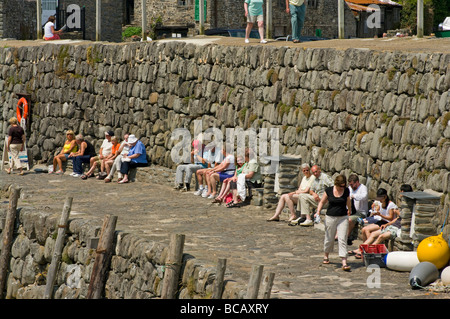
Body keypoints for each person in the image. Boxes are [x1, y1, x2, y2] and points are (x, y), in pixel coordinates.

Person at [348, 184, 412, 259]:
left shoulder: (398, 206)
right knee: (365, 230)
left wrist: (382, 217)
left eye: (401, 192)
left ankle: (366, 251)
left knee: (373, 232)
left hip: (390, 225)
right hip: (386, 223)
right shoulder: (384, 203)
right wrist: (375, 210)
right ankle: (361, 249)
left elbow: (392, 218)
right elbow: (396, 218)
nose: (400, 195)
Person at [314, 175, 352, 271]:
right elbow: (322, 202)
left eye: (344, 186)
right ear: (336, 184)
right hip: (330, 217)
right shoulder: (329, 191)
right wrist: (318, 211)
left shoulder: (346, 190)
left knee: (342, 238)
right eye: (341, 186)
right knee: (329, 238)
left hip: (343, 217)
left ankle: (344, 262)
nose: (342, 188)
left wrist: (349, 210)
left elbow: (348, 201)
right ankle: (326, 254)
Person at [346, 174, 369, 244]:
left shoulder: (363, 188)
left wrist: (353, 196)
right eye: (350, 185)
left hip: (360, 212)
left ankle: (347, 236)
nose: (351, 186)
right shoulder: (350, 188)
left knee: (349, 220)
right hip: (351, 211)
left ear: (357, 182)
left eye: (352, 184)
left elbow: (364, 196)